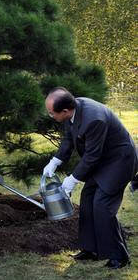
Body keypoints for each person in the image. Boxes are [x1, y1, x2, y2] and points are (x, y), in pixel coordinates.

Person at [43, 87, 137, 270]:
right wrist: (55, 161)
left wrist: (72, 180)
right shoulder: (72, 108)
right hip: (103, 160)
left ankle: (120, 256)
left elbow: (92, 156)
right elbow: (68, 138)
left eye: (51, 113)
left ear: (64, 111)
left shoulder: (94, 119)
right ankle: (91, 249)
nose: (50, 116)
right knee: (87, 201)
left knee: (102, 206)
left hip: (119, 161)